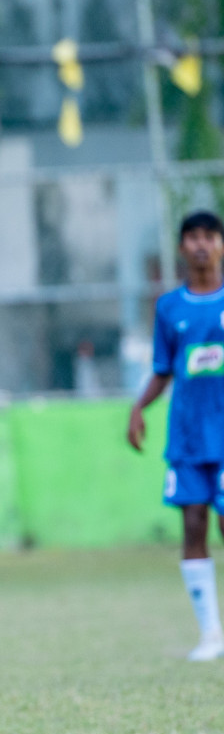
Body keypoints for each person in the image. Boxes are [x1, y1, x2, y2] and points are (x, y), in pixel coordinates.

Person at [128, 210, 224, 662]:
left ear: (220, 244)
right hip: (187, 438)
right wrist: (138, 408)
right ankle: (210, 634)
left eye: (210, 236)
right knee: (192, 526)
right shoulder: (169, 307)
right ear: (182, 247)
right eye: (193, 238)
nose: (201, 245)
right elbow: (163, 370)